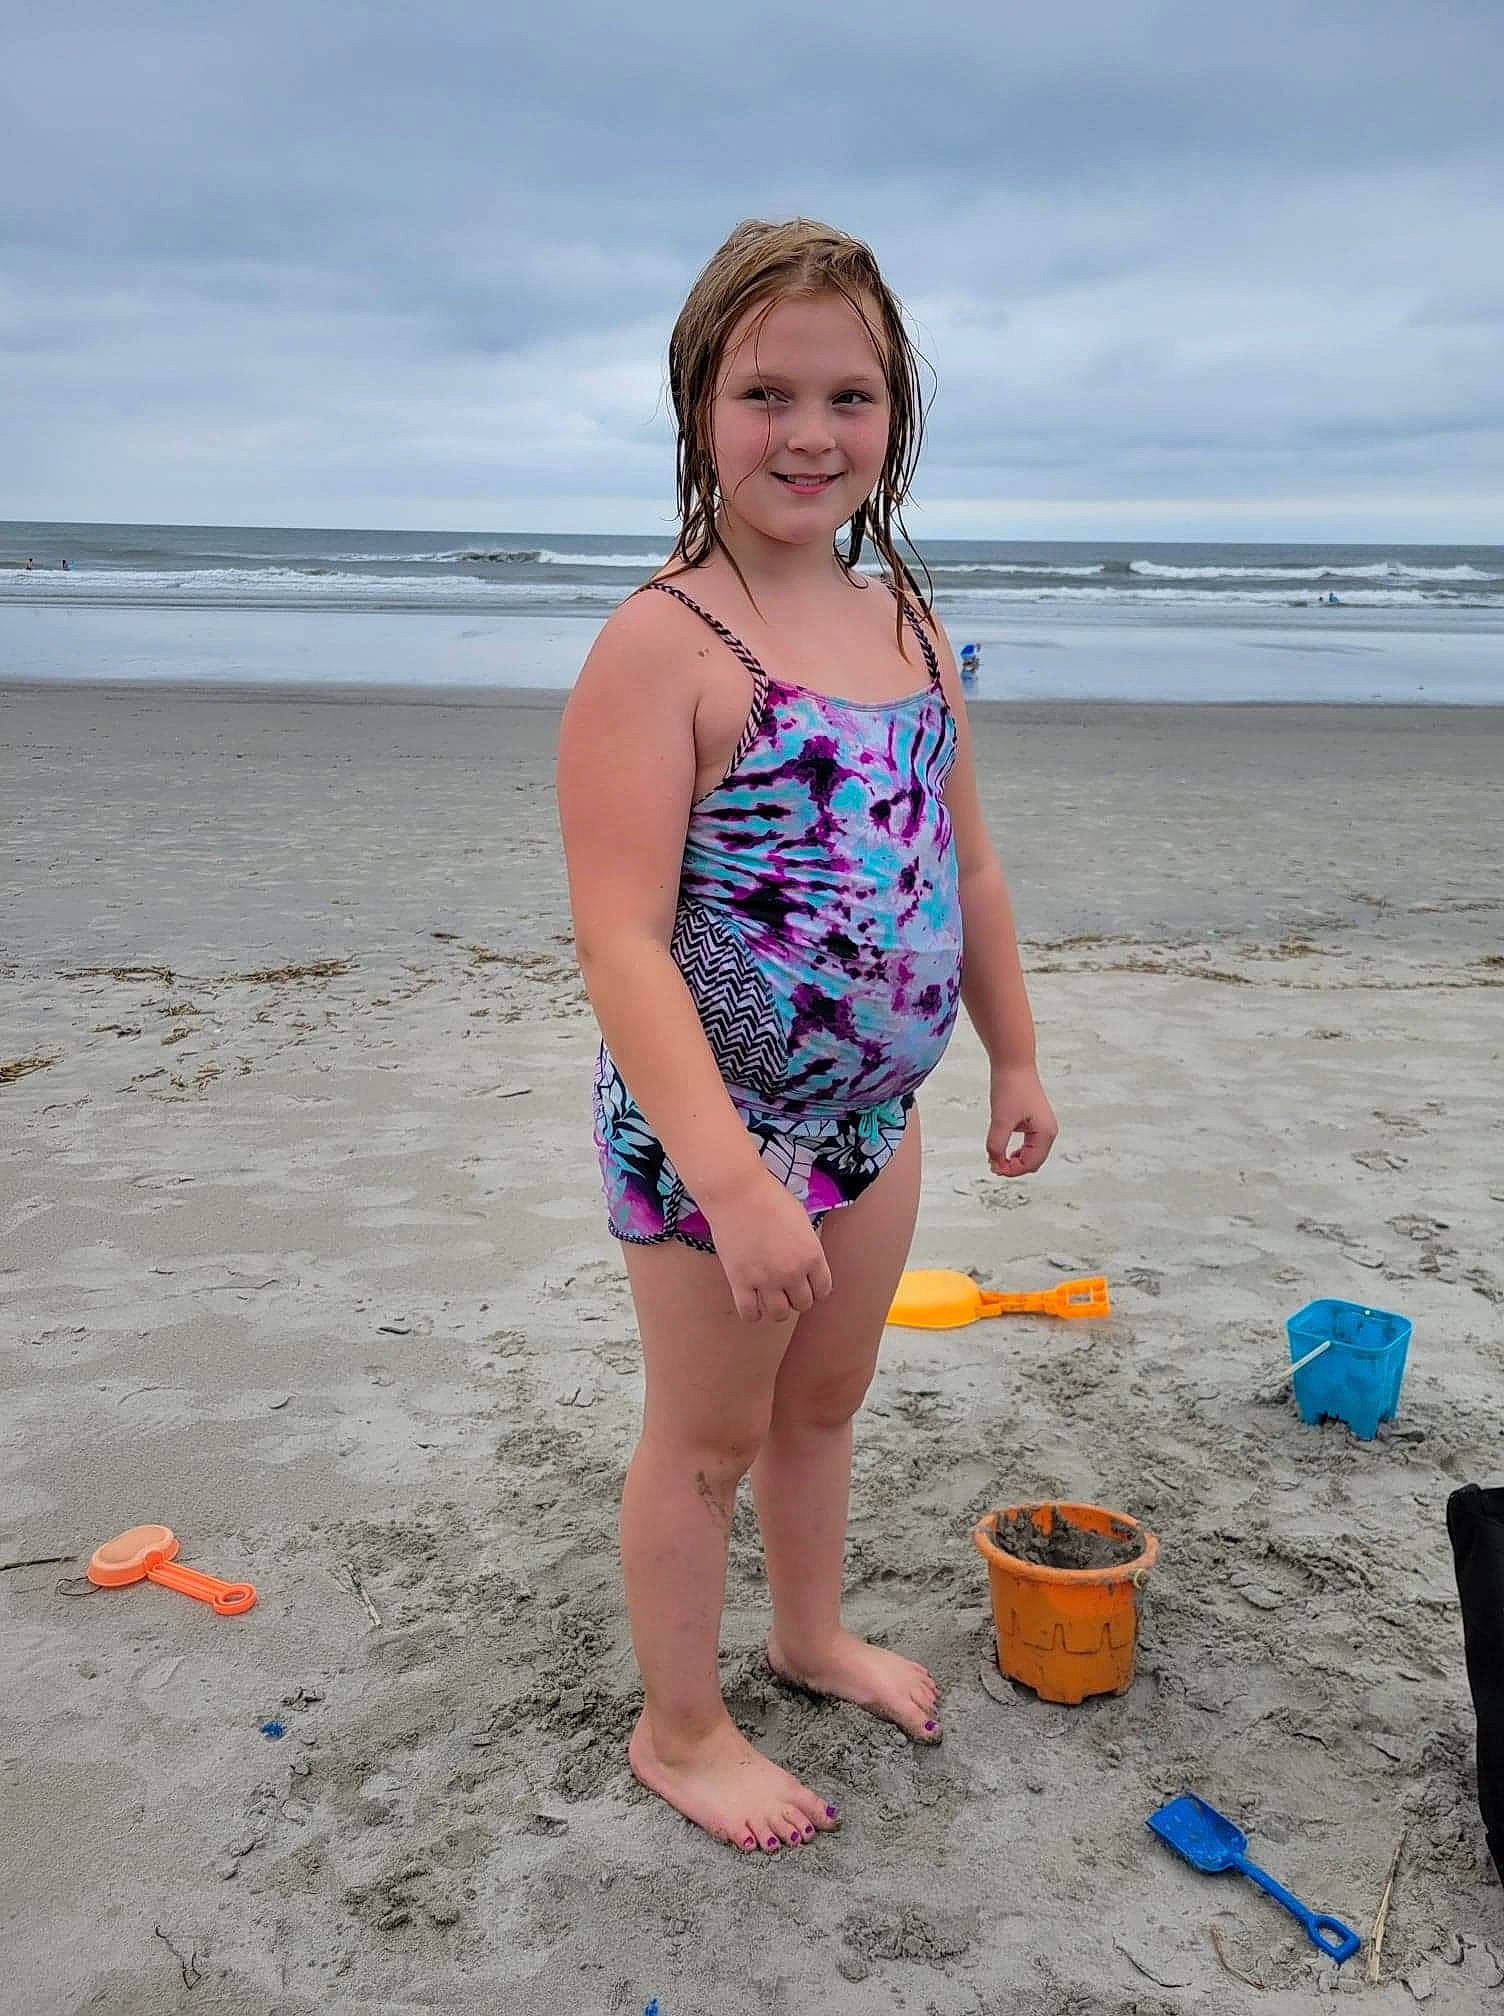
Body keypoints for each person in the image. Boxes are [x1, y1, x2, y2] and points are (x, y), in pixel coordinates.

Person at [556, 217, 1057, 1858]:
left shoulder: (906, 618)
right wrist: (731, 1176)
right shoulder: (664, 645)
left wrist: (1015, 1052)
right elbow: (622, 942)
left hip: (876, 1117)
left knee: (825, 1404)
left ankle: (808, 1634)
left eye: (851, 396)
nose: (810, 433)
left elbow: (964, 861)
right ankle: (681, 1728)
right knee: (704, 1438)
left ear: (894, 418)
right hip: (721, 1130)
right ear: (698, 401)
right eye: (766, 390)